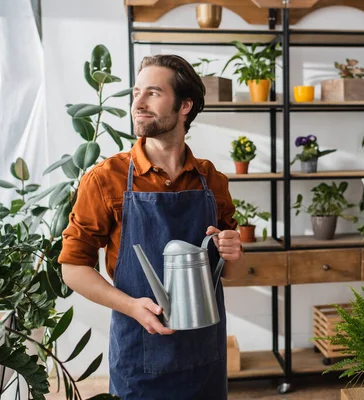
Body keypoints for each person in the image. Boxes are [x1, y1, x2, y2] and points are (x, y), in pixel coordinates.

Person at [58, 54, 245, 399]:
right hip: (140, 357)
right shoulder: (106, 180)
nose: (138, 104)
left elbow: (231, 271)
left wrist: (232, 251)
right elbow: (72, 268)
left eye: (153, 93)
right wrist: (131, 306)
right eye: (136, 93)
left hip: (206, 356)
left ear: (185, 105)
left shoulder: (211, 179)